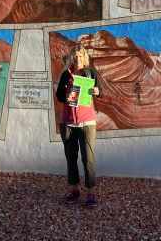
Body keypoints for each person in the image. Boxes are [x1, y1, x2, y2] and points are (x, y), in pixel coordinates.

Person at [55, 45, 102, 208]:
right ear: (71, 58)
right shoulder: (66, 75)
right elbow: (59, 96)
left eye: (80, 57)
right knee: (71, 157)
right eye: (74, 57)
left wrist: (96, 91)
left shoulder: (90, 73)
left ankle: (90, 193)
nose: (77, 60)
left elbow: (100, 90)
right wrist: (66, 94)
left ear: (85, 58)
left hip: (87, 122)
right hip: (68, 122)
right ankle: (74, 189)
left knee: (88, 158)